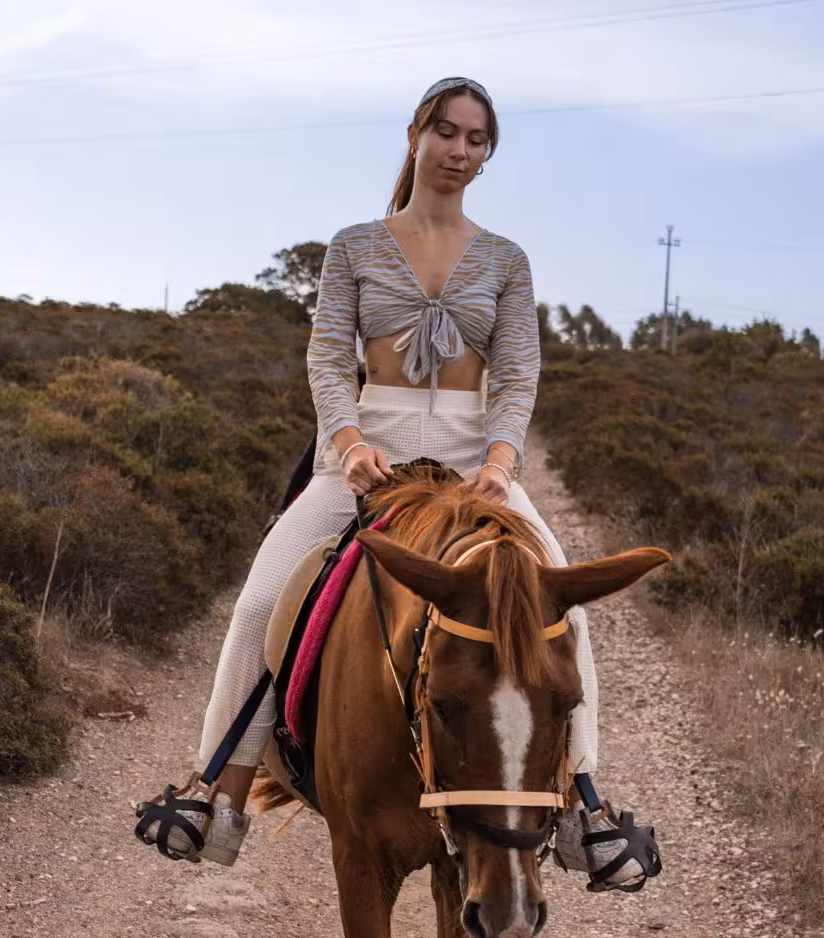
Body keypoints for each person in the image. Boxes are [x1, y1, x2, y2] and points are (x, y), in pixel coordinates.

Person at [136, 76, 657, 892]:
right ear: (417, 133)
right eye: (447, 132)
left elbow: (517, 375)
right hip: (366, 458)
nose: (459, 151)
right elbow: (325, 358)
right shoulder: (354, 245)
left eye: (477, 140)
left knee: (565, 612)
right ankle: (218, 794)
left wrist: (498, 464)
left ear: (488, 154)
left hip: (470, 466)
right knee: (260, 601)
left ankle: (583, 804)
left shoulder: (507, 260)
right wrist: (345, 446)